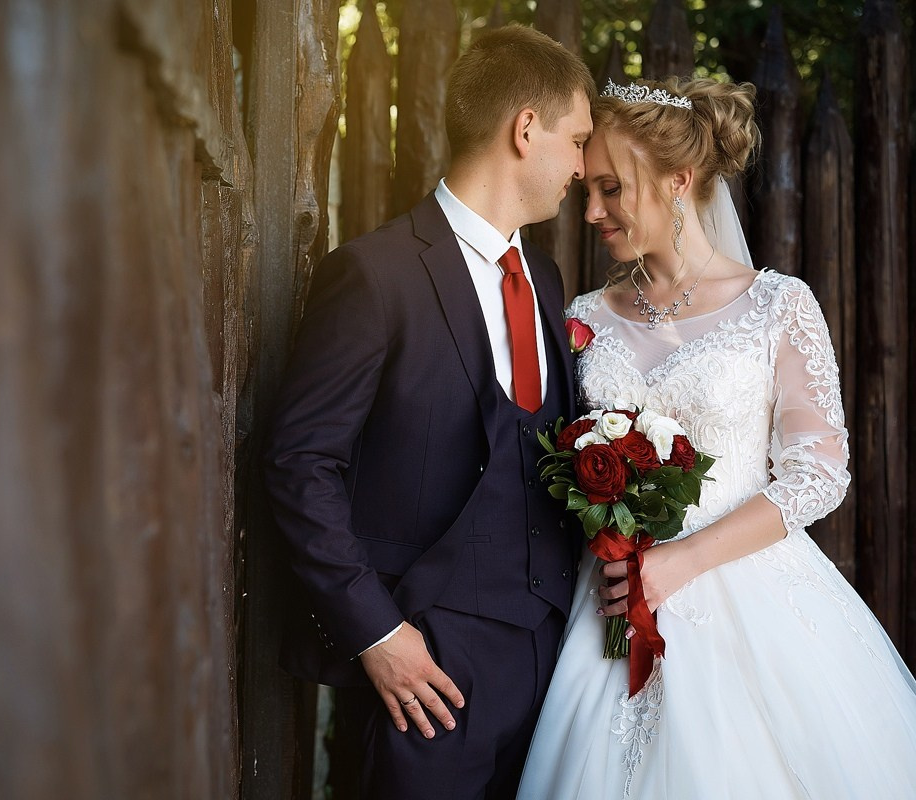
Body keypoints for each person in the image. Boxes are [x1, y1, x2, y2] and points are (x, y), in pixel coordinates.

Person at [516, 77, 916, 799]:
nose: (592, 211)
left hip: (750, 597)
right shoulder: (581, 317)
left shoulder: (779, 306)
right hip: (605, 603)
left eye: (612, 189)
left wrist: (683, 561)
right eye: (589, 189)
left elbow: (819, 470)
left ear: (678, 181)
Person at [264, 24, 595, 799]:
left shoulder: (543, 278)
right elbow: (298, 464)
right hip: (428, 665)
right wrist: (377, 635)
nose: (582, 167)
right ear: (525, 129)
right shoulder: (374, 276)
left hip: (554, 655)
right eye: (576, 140)